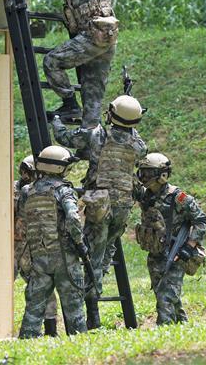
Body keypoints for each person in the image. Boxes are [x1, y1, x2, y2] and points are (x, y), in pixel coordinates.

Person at [52, 95, 147, 329]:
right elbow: (141, 149)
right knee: (106, 252)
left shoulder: (97, 135)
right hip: (123, 204)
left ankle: (92, 315)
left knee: (92, 257)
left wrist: (55, 120)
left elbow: (64, 137)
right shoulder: (137, 144)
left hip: (99, 203)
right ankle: (95, 296)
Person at [21, 0, 118, 127]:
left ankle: (69, 102)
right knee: (92, 95)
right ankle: (90, 142)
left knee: (52, 61)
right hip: (106, 38)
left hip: (92, 36)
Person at [16, 145, 89, 337]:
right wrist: (80, 243)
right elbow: (73, 218)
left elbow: (24, 220)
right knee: (73, 305)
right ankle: (79, 344)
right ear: (59, 168)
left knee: (34, 307)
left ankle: (27, 342)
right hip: (64, 257)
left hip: (38, 257)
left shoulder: (27, 191)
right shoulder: (63, 191)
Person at [134, 153, 206, 325]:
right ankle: (182, 326)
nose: (144, 177)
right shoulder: (145, 195)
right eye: (142, 173)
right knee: (166, 295)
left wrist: (189, 247)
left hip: (176, 256)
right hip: (155, 255)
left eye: (148, 173)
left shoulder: (178, 197)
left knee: (165, 297)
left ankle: (164, 331)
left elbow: (201, 221)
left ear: (162, 175)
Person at [13, 154, 59, 336]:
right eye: (24, 172)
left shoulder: (41, 191)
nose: (25, 176)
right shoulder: (13, 190)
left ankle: (50, 329)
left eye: (29, 173)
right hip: (11, 246)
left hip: (33, 245)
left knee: (43, 286)